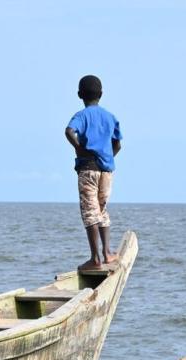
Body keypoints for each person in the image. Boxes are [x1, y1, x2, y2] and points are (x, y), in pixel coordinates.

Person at [65, 75, 123, 270]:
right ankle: (107, 253)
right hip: (107, 170)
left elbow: (69, 131)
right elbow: (118, 144)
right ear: (101, 94)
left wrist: (79, 148)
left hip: (88, 168)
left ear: (80, 94)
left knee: (90, 211)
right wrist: (108, 157)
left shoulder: (82, 116)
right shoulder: (110, 117)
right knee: (101, 209)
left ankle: (95, 258)